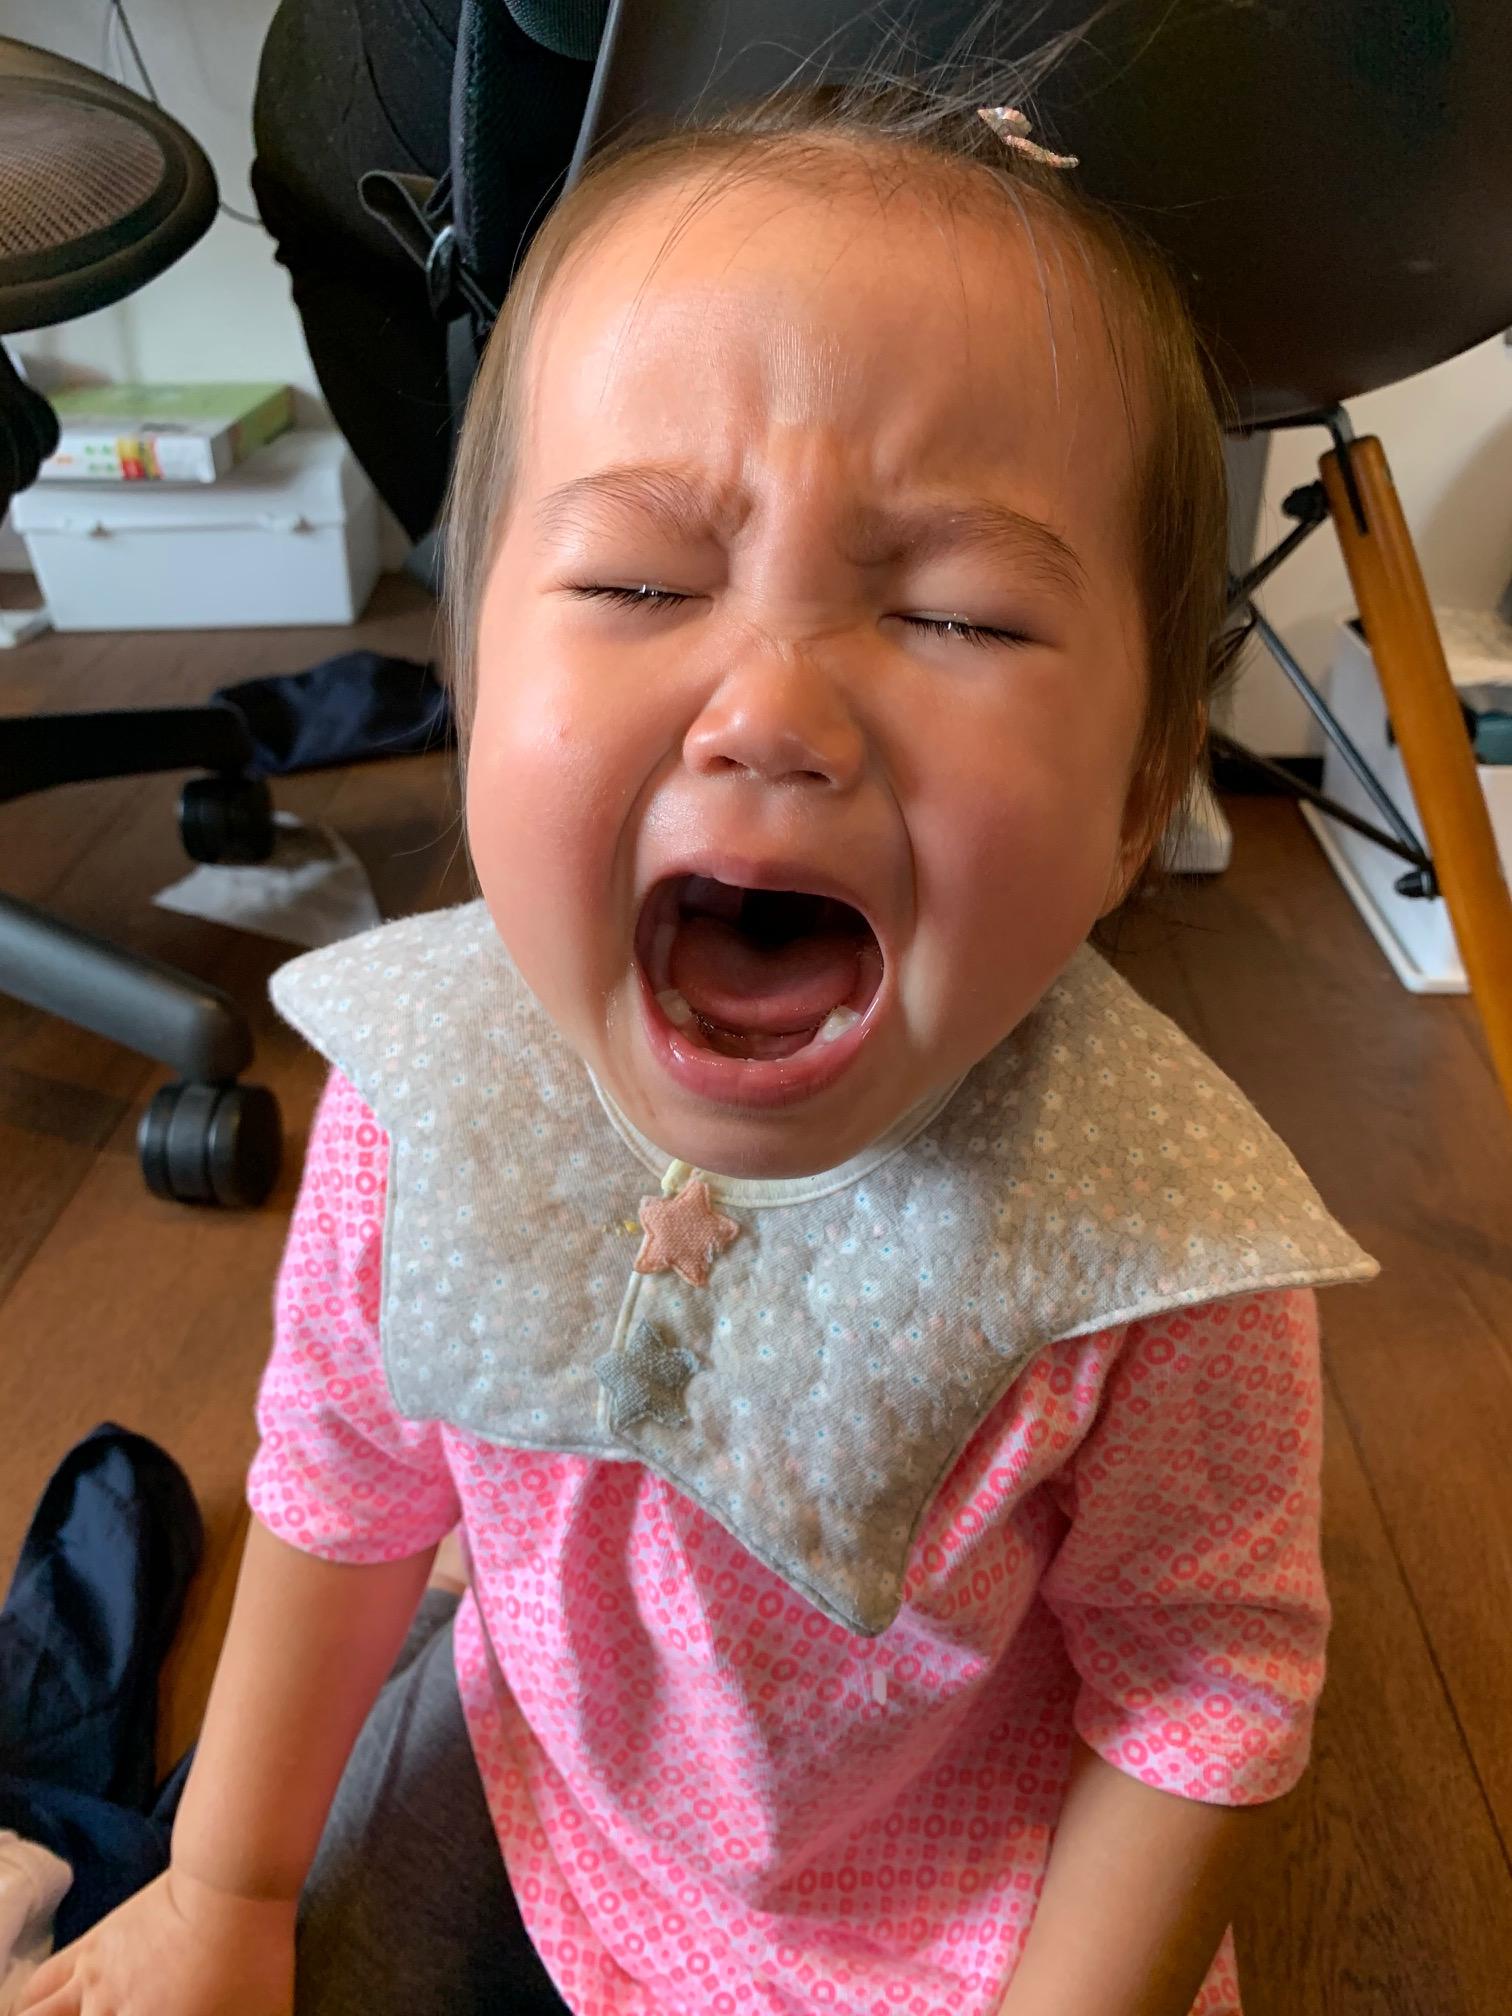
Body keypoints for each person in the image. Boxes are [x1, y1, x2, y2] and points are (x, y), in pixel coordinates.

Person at [19, 77, 1375, 2016]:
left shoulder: (1159, 1250)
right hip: (557, 1789)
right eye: (639, 585)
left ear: (1143, 787)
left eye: (961, 616)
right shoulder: (435, 1094)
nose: (774, 713)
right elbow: (344, 1475)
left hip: (949, 1913)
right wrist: (222, 1890)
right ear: (476, 686)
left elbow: (1204, 1685)